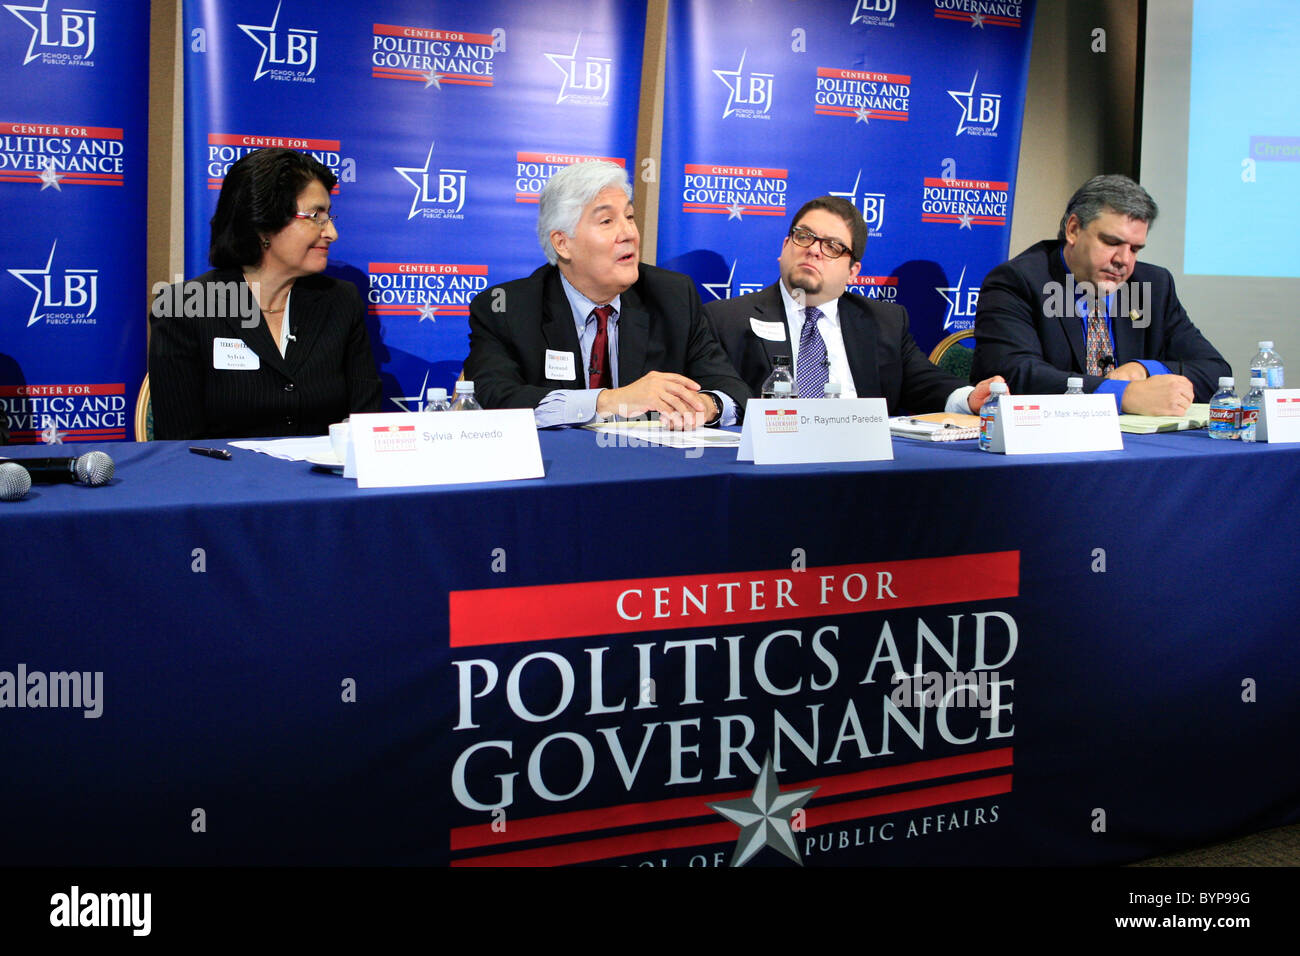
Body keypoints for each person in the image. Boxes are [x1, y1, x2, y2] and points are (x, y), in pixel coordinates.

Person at [464, 161, 748, 429]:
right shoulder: (505, 308)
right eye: (606, 221)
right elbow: (493, 400)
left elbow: (734, 391)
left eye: (629, 217)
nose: (628, 233)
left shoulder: (673, 296)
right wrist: (612, 401)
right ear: (562, 243)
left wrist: (705, 405)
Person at [149, 148, 381, 439]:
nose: (331, 232)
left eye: (329, 215)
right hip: (222, 481)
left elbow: (364, 426)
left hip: (321, 481)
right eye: (315, 216)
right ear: (262, 225)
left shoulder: (341, 302)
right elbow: (177, 445)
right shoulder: (184, 308)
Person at [706, 196, 1001, 415]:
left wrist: (970, 397)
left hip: (863, 471)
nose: (813, 250)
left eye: (832, 246)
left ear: (853, 272)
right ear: (785, 247)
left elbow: (923, 383)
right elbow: (721, 396)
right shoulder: (727, 320)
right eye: (804, 236)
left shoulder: (884, 321)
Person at [971, 174, 1228, 415]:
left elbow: (1217, 373)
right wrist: (1122, 395)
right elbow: (1014, 375)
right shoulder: (1019, 281)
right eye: (1112, 242)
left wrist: (1145, 370)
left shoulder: (1153, 285)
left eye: (1135, 249)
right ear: (1073, 229)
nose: (1123, 261)